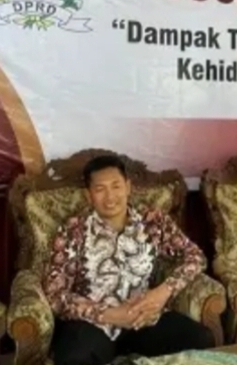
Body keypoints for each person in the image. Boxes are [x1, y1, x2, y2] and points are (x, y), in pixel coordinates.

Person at [43, 155, 214, 365]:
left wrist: (162, 292)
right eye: (100, 189)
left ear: (128, 187)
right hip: (92, 324)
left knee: (199, 339)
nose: (110, 197)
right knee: (75, 357)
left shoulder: (152, 221)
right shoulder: (73, 230)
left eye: (116, 186)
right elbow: (55, 294)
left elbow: (195, 256)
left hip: (141, 319)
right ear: (88, 195)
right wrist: (109, 314)